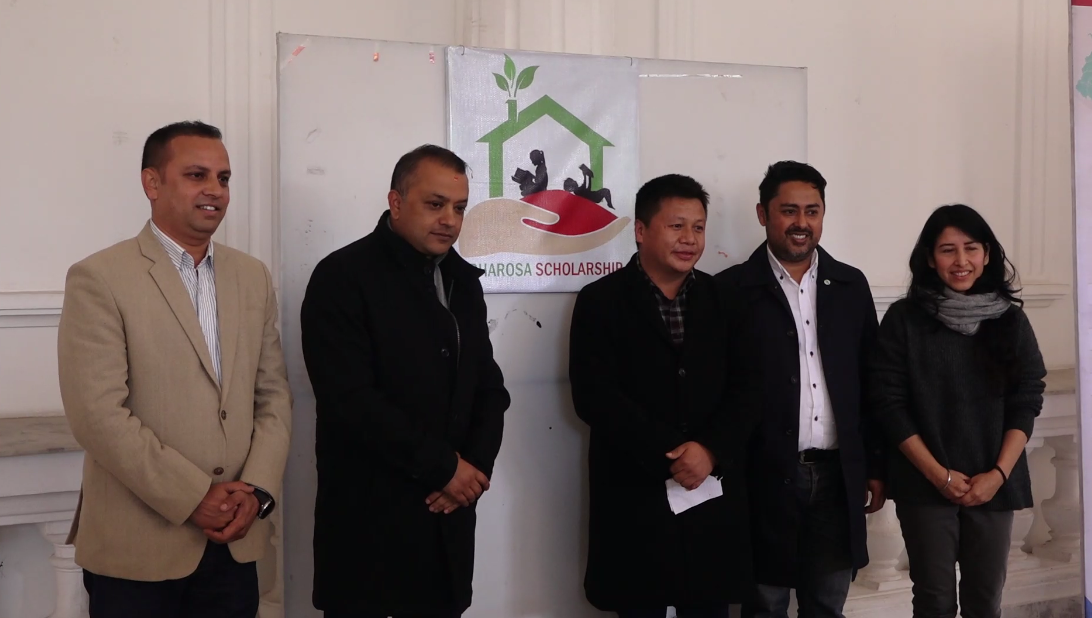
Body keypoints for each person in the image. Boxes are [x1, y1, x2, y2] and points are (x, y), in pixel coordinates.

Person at [57, 120, 293, 618]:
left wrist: (258, 493)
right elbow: (97, 416)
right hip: (137, 551)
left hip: (236, 543)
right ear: (152, 183)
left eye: (223, 178)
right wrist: (194, 496)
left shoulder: (252, 276)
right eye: (196, 175)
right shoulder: (100, 277)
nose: (215, 190)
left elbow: (272, 397)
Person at [301, 144, 511, 618]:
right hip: (370, 523)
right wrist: (444, 468)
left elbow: (489, 388)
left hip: (448, 521)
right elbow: (350, 400)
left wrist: (473, 471)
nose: (449, 221)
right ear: (396, 203)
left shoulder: (462, 281)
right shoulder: (343, 276)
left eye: (459, 208)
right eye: (435, 204)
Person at [569, 174, 760, 618]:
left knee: (709, 605)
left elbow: (750, 388)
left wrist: (709, 450)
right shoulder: (600, 301)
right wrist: (672, 453)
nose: (689, 239)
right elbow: (595, 396)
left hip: (711, 492)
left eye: (698, 227)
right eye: (676, 226)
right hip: (634, 496)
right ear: (641, 230)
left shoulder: (727, 300)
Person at [715, 161, 886, 618]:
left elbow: (872, 382)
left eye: (812, 211)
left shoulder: (850, 285)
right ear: (762, 213)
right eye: (789, 210)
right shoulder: (730, 291)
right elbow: (718, 393)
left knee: (827, 604)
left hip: (837, 477)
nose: (801, 223)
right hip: (762, 477)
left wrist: (874, 464)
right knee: (764, 605)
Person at [869, 204, 1045, 618]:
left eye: (971, 248)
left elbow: (1026, 399)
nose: (961, 260)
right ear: (930, 259)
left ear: (987, 254)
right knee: (935, 601)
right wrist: (939, 475)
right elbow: (888, 403)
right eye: (947, 250)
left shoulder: (1011, 321)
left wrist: (998, 474)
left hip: (992, 483)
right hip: (924, 482)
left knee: (986, 601)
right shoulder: (904, 319)